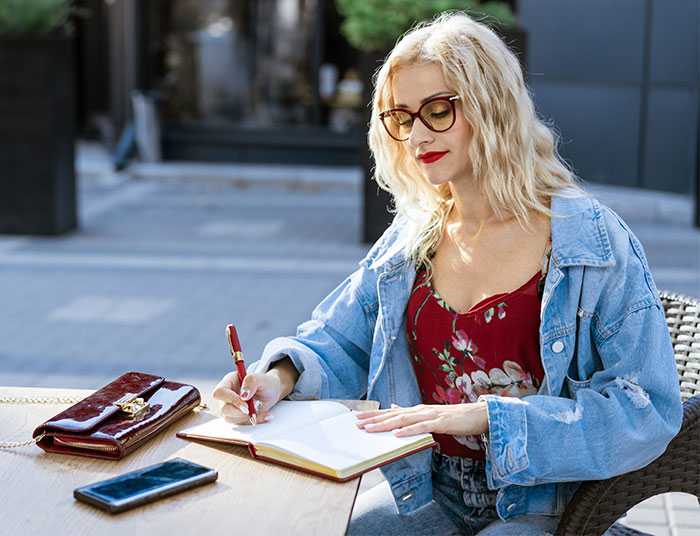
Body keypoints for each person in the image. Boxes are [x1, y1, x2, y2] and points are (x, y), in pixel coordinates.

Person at [213, 12, 682, 535]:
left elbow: (646, 409)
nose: (416, 135)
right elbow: (340, 339)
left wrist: (489, 418)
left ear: (492, 107)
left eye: (437, 110)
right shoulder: (412, 237)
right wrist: (274, 380)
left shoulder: (592, 242)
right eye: (401, 117)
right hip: (432, 491)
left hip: (548, 505)